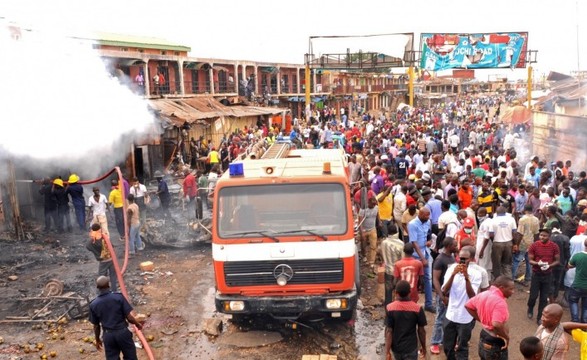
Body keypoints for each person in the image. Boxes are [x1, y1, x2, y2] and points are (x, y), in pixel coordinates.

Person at [441, 245, 489, 360]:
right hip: (451, 315)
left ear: (471, 259)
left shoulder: (476, 273)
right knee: (448, 346)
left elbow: (472, 296)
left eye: (465, 258)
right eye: (460, 257)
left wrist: (467, 277)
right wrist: (453, 275)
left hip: (465, 318)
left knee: (462, 347)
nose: (461, 261)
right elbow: (444, 290)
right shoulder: (451, 269)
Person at [89, 276, 143, 360]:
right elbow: (129, 317)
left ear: (97, 287)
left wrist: (97, 339)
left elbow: (96, 326)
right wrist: (138, 324)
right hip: (122, 333)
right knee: (130, 357)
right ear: (109, 285)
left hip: (108, 336)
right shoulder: (118, 297)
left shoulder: (93, 304)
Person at [465, 276, 515, 360]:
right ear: (502, 288)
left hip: (484, 335)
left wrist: (482, 319)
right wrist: (506, 337)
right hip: (495, 341)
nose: (513, 292)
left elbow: (468, 305)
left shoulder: (484, 294)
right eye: (511, 289)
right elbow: (496, 324)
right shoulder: (500, 302)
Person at [384, 280, 427, 360]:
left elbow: (389, 331)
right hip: (411, 349)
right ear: (410, 292)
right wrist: (424, 347)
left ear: (396, 292)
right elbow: (421, 331)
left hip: (396, 349)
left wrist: (387, 352)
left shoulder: (390, 308)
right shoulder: (417, 309)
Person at [430, 237, 457, 355]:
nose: (456, 246)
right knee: (440, 319)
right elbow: (435, 280)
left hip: (451, 294)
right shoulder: (440, 259)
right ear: (449, 246)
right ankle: (435, 342)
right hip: (443, 295)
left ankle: (446, 340)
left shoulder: (452, 257)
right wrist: (442, 296)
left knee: (450, 319)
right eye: (455, 244)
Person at [527, 228, 560, 324]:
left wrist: (549, 265)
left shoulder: (554, 246)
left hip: (548, 275)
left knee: (544, 298)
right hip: (536, 274)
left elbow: (557, 261)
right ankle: (530, 308)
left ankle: (539, 317)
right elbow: (530, 260)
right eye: (541, 235)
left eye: (544, 235)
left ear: (549, 236)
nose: (542, 237)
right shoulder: (534, 245)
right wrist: (538, 264)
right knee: (533, 295)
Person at [407, 207, 435, 312]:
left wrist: (429, 241)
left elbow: (428, 234)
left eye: (429, 215)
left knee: (428, 278)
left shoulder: (427, 222)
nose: (428, 217)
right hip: (416, 255)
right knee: (414, 280)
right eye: (426, 215)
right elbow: (414, 243)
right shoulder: (413, 224)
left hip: (426, 252)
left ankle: (428, 304)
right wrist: (422, 259)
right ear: (420, 214)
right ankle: (412, 304)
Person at [86, 223, 118, 291]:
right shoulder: (104, 236)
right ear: (100, 229)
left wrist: (97, 253)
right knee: (113, 276)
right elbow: (111, 246)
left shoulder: (93, 239)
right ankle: (114, 291)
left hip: (103, 261)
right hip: (111, 259)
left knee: (102, 277)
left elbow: (88, 246)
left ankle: (104, 292)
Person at [515, 204, 540, 285]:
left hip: (523, 242)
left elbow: (520, 233)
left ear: (524, 209)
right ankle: (528, 279)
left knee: (516, 260)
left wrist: (517, 244)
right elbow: (537, 233)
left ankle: (512, 277)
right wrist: (535, 244)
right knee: (529, 262)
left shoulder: (522, 219)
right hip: (532, 242)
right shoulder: (536, 219)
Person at [491, 206, 517, 279]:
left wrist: (494, 240)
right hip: (509, 243)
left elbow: (491, 234)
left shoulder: (493, 220)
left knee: (497, 264)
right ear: (505, 212)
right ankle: (509, 280)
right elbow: (514, 233)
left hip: (497, 243)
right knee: (507, 263)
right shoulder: (511, 219)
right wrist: (514, 244)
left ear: (496, 212)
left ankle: (498, 281)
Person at [380, 224, 403, 307]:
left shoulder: (383, 243)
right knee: (398, 292)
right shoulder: (401, 244)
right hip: (397, 272)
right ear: (396, 232)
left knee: (388, 292)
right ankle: (398, 308)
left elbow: (381, 255)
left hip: (388, 271)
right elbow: (402, 260)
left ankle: (388, 309)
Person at [568, 236, 587, 323]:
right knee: (585, 306)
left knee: (573, 301)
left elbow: (570, 265)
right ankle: (584, 322)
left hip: (577, 285)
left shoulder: (578, 256)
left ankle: (575, 321)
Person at [359, 197, 379, 268]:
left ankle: (371, 261)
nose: (373, 206)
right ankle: (364, 256)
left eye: (374, 205)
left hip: (372, 229)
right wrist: (362, 233)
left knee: (373, 246)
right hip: (364, 230)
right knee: (364, 245)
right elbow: (360, 222)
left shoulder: (376, 207)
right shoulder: (363, 210)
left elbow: (377, 215)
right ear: (368, 203)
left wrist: (379, 222)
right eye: (372, 204)